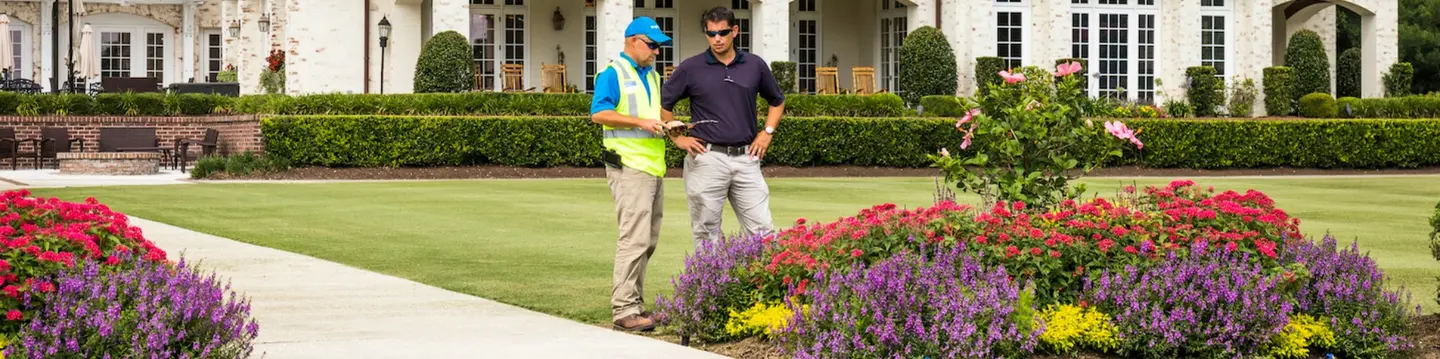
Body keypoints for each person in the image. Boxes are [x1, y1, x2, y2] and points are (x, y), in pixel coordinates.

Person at [661, 6, 785, 246]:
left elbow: (777, 101)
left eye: (723, 32)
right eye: (711, 33)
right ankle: (709, 273)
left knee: (763, 232)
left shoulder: (754, 65)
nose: (717, 38)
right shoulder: (691, 68)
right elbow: (665, 105)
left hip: (747, 158)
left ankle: (762, 273)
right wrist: (677, 138)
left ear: (735, 31)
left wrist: (767, 133)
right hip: (707, 158)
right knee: (706, 233)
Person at [589, 16, 675, 332]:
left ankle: (636, 305)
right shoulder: (612, 73)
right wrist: (641, 123)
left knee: (647, 240)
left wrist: (671, 126)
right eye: (652, 45)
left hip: (652, 166)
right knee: (634, 239)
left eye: (659, 46)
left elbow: (653, 115)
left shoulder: (652, 76)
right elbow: (599, 113)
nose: (656, 52)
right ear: (633, 42)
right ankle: (624, 309)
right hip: (629, 166)